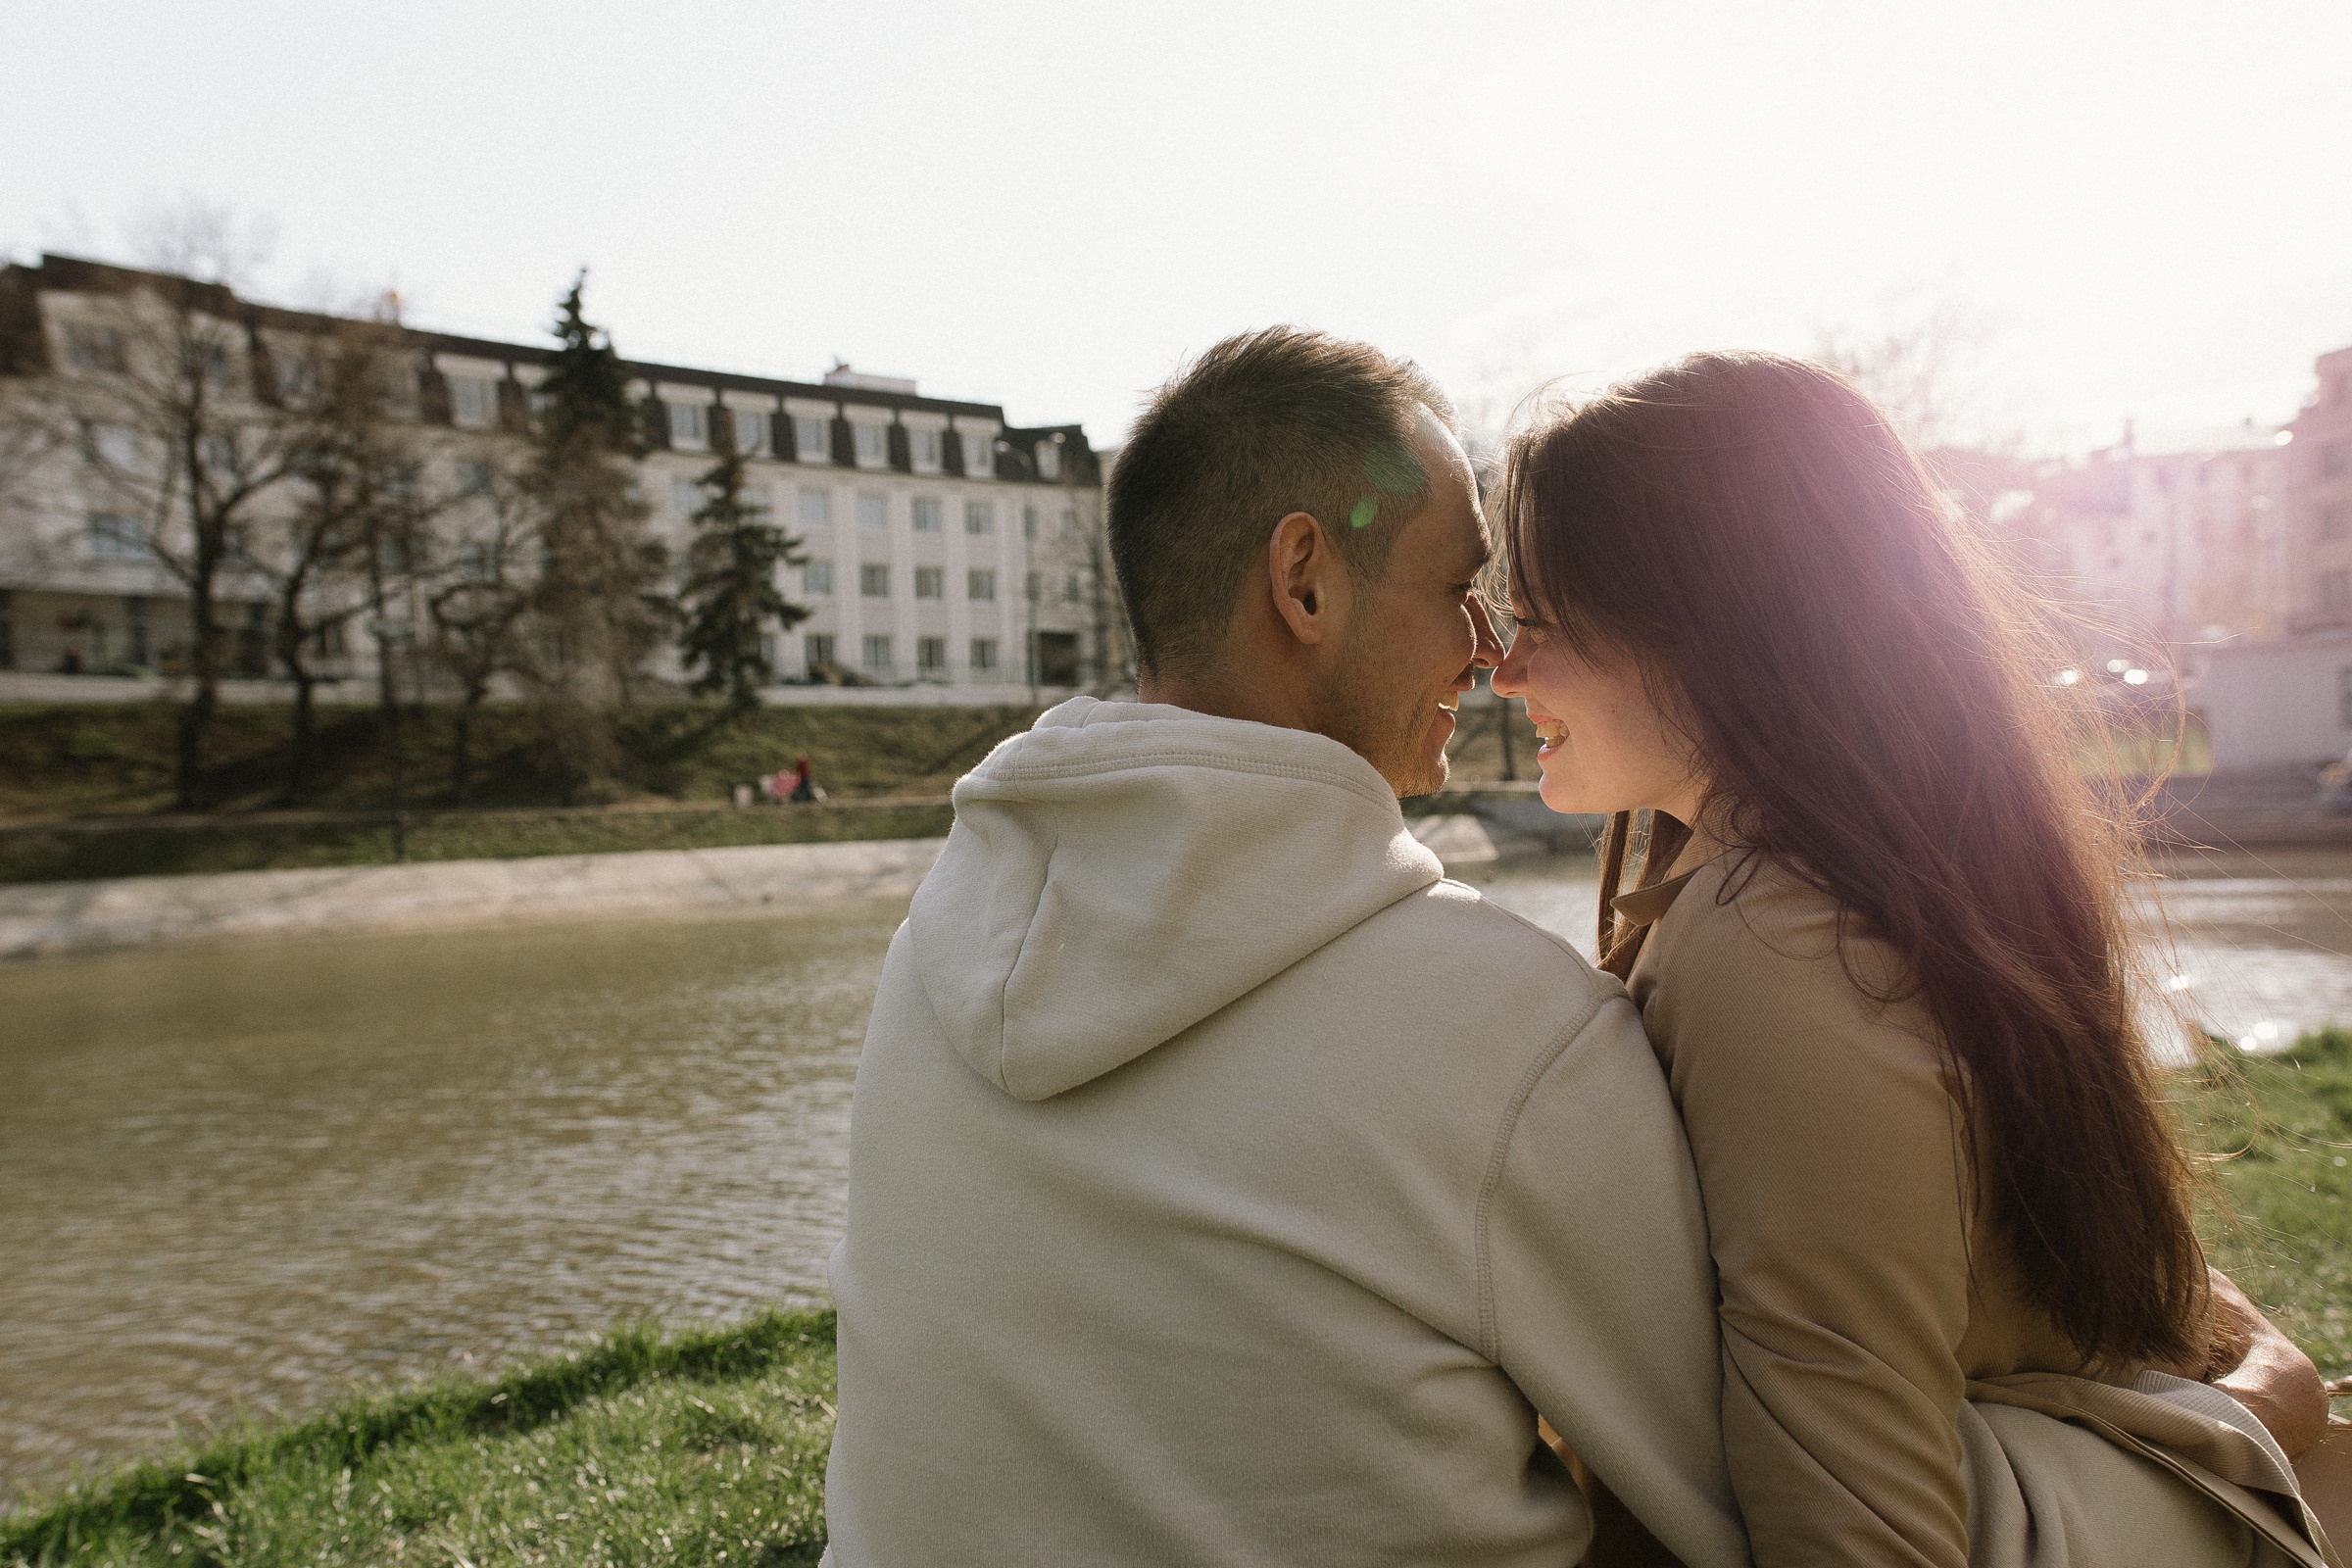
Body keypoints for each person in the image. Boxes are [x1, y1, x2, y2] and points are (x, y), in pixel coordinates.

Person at [821, 328, 1749, 1567]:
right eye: (1456, 586)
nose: (1487, 646)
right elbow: (1737, 1497)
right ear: (1304, 582)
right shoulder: (1505, 1025)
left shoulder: (931, 950)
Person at [1489, 350, 2339, 1568]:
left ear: (1709, 635)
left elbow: (1863, 1531)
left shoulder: (1782, 949)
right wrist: (2253, 1400)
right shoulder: (1907, 885)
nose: (1503, 668)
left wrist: (2244, 1405)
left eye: (1541, 619)